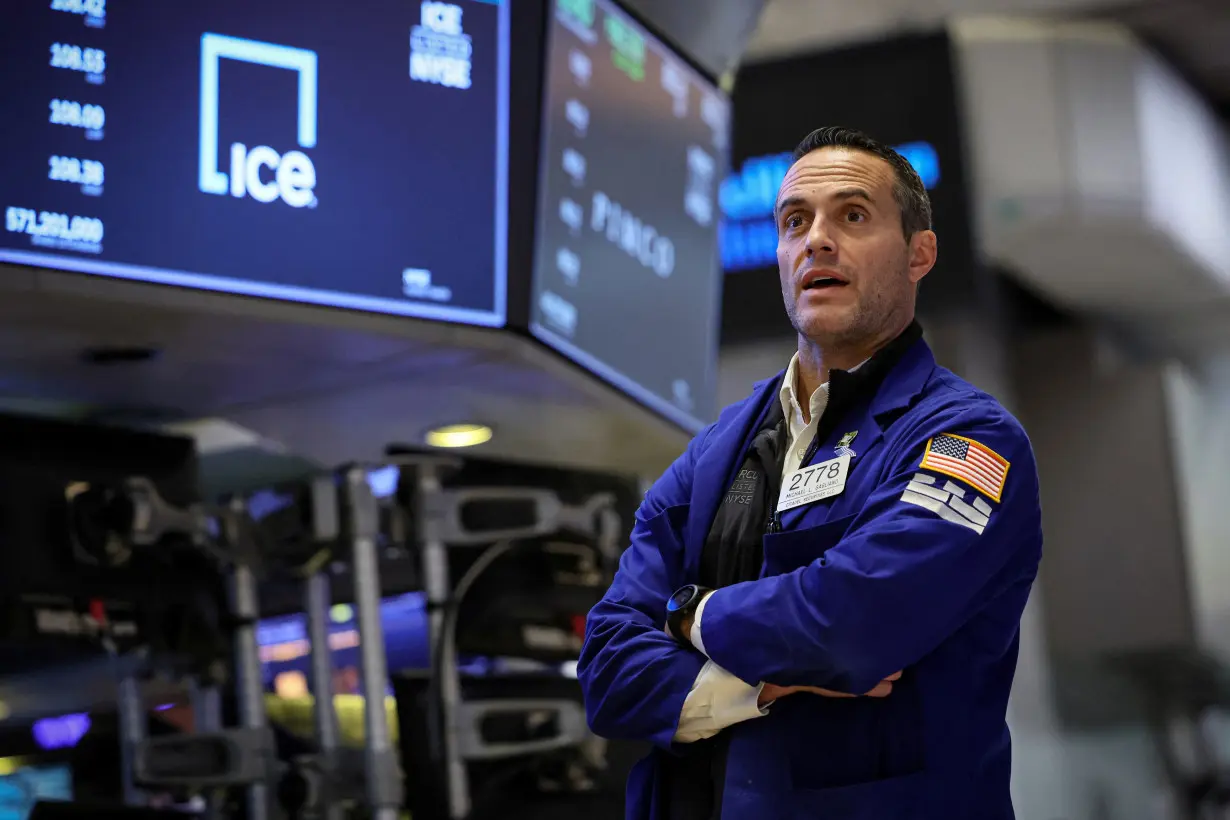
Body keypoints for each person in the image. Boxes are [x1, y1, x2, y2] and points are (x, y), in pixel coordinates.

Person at [577, 126, 1043, 819]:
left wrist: (686, 613)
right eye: (795, 221)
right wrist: (761, 686)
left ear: (921, 253)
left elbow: (850, 628)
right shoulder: (713, 453)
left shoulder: (966, 437)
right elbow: (607, 673)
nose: (817, 240)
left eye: (852, 216)